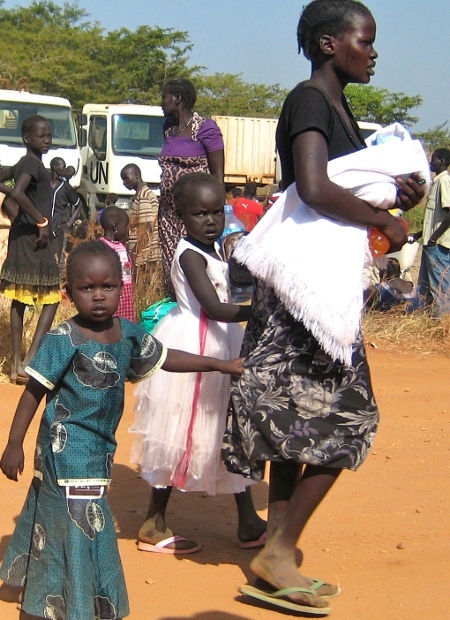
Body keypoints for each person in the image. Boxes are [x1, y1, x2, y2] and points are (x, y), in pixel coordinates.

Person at [221, 1, 425, 615]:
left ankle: (276, 556)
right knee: (351, 419)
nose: (375, 51)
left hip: (310, 291)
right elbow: (312, 185)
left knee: (293, 428)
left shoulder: (340, 110)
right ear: (331, 44)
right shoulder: (308, 99)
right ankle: (279, 547)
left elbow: (348, 181)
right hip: (301, 298)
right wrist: (384, 216)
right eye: (367, 40)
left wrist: (400, 194)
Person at [0, 239, 243, 620]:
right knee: (81, 520)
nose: (98, 296)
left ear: (120, 287)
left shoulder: (128, 334)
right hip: (67, 449)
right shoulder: (63, 339)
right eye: (87, 288)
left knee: (52, 511)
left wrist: (218, 364)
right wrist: (14, 443)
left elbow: (164, 356)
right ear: (69, 293)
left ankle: (31, 585)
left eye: (107, 287)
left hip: (100, 448)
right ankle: (70, 604)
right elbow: (33, 391)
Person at [130, 173, 265, 554]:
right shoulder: (189, 255)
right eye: (200, 214)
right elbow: (215, 307)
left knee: (225, 428)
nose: (211, 221)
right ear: (181, 216)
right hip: (200, 343)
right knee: (182, 430)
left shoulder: (212, 250)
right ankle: (154, 521)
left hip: (220, 342)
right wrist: (262, 312)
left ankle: (248, 520)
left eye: (216, 212)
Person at [0, 115, 61, 385]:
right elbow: (18, 193)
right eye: (41, 135)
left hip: (24, 235)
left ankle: (17, 365)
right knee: (52, 295)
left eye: (49, 135)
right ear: (27, 138)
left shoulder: (28, 163)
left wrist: (20, 216)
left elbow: (11, 188)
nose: (47, 140)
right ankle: (29, 359)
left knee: (21, 298)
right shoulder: (30, 163)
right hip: (33, 237)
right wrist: (41, 221)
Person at [158, 77, 225, 299]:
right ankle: (177, 308)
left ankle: (205, 308)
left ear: (177, 99)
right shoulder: (168, 128)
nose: (161, 103)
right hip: (168, 216)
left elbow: (217, 175)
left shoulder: (205, 129)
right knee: (173, 269)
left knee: (195, 264)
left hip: (195, 215)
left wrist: (216, 210)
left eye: (164, 98)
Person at [410, 148, 450, 317]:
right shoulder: (436, 183)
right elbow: (434, 219)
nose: (430, 162)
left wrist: (434, 238)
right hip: (430, 243)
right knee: (425, 285)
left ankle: (442, 324)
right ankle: (425, 318)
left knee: (440, 286)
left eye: (433, 159)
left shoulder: (444, 182)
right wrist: (419, 235)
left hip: (438, 245)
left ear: (441, 161)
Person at [120, 163, 160, 284]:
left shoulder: (144, 195)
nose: (124, 183)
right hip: (143, 253)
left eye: (126, 178)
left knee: (143, 285)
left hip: (145, 254)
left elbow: (147, 228)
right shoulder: (139, 195)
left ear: (136, 175)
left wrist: (136, 253)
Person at [99, 206, 135, 322]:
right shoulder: (102, 247)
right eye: (125, 226)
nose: (127, 230)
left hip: (126, 293)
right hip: (112, 293)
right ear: (115, 227)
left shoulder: (122, 246)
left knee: (125, 324)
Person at [49, 157, 81, 261]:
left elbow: (78, 205)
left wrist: (69, 222)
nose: (64, 170)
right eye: (62, 168)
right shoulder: (44, 184)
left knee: (59, 256)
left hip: (59, 227)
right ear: (55, 168)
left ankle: (60, 276)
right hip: (45, 225)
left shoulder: (65, 186)